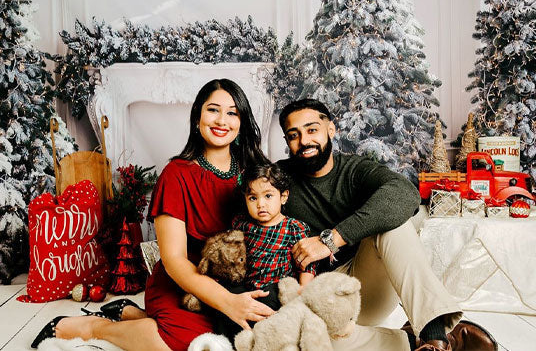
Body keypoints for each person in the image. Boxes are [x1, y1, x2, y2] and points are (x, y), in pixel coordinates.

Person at [31, 78, 275, 351]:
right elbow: (174, 261)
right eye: (213, 110)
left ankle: (130, 313)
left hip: (237, 281)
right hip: (185, 282)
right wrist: (227, 302)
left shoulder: (257, 174)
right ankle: (97, 328)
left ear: (241, 122)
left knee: (250, 337)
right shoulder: (177, 174)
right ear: (197, 117)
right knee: (189, 344)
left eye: (232, 112)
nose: (222, 120)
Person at [276, 98, 499, 351]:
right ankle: (422, 344)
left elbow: (405, 194)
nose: (304, 141)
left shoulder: (354, 170)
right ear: (287, 142)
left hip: (365, 289)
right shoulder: (277, 180)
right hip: (318, 299)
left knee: (392, 221)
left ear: (330, 129)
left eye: (312, 129)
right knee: (310, 341)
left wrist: (331, 240)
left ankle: (433, 332)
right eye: (294, 135)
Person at [213, 162, 317, 340]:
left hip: (274, 288)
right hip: (246, 287)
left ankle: (262, 338)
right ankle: (225, 341)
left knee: (272, 305)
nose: (261, 204)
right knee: (223, 300)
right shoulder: (241, 224)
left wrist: (303, 290)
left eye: (268, 196)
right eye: (253, 198)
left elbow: (306, 263)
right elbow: (230, 252)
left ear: (283, 197)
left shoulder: (294, 228)